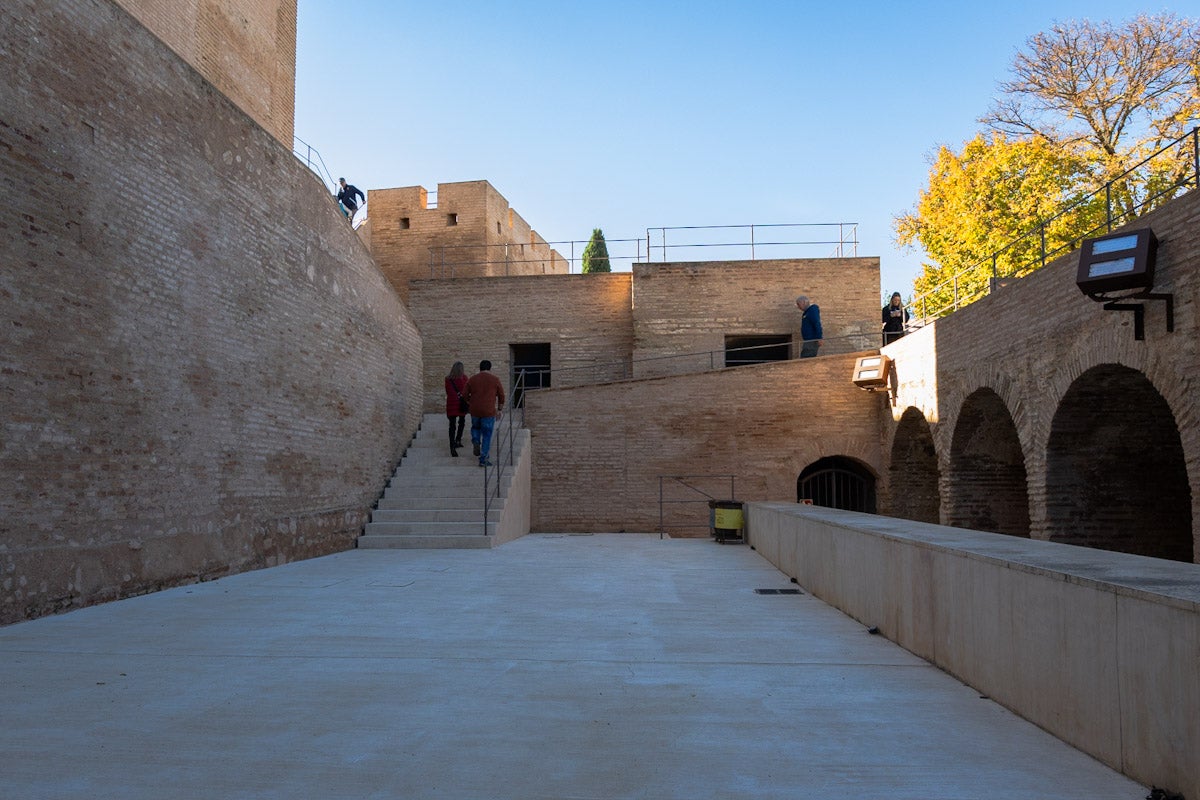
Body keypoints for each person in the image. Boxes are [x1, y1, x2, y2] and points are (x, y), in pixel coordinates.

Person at [464, 359, 506, 467]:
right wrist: (500, 409)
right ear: (490, 368)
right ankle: (483, 459)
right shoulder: (495, 379)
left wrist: (470, 402)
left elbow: (464, 395)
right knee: (487, 435)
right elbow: (501, 395)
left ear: (480, 368)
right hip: (488, 411)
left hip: (475, 410)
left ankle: (476, 440)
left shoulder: (472, 379)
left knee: (475, 427)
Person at [444, 361, 468, 457]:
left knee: (452, 426)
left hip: (451, 403)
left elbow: (447, 391)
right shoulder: (464, 378)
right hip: (461, 404)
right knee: (461, 422)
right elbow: (466, 391)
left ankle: (452, 446)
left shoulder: (448, 379)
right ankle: (458, 440)